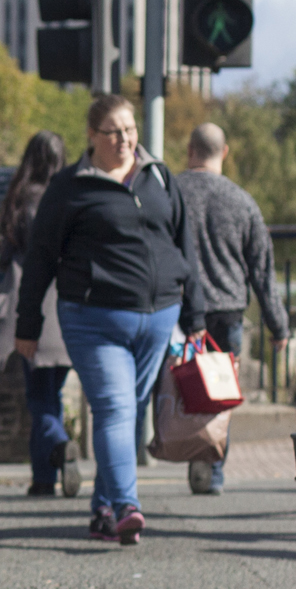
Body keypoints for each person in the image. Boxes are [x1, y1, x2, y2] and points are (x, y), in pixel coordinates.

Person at [17, 94, 205, 545]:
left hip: (159, 315)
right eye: (114, 132)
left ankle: (102, 508)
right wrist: (28, 326)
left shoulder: (159, 177)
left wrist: (196, 312)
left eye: (130, 130)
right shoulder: (70, 186)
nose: (124, 139)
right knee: (116, 409)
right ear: (93, 136)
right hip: (93, 317)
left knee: (124, 413)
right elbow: (41, 256)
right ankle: (126, 505)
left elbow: (186, 247)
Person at [176, 122, 290, 494]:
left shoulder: (171, 193)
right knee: (219, 393)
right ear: (224, 153)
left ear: (190, 150)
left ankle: (182, 447)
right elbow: (262, 270)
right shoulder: (242, 201)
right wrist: (279, 326)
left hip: (177, 310)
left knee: (174, 388)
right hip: (226, 309)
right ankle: (213, 466)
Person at [0, 131, 76, 496]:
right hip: (67, 309)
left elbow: (2, 255)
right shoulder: (68, 198)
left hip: (32, 310)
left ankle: (58, 444)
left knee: (38, 397)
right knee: (52, 395)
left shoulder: (20, 200)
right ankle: (43, 478)